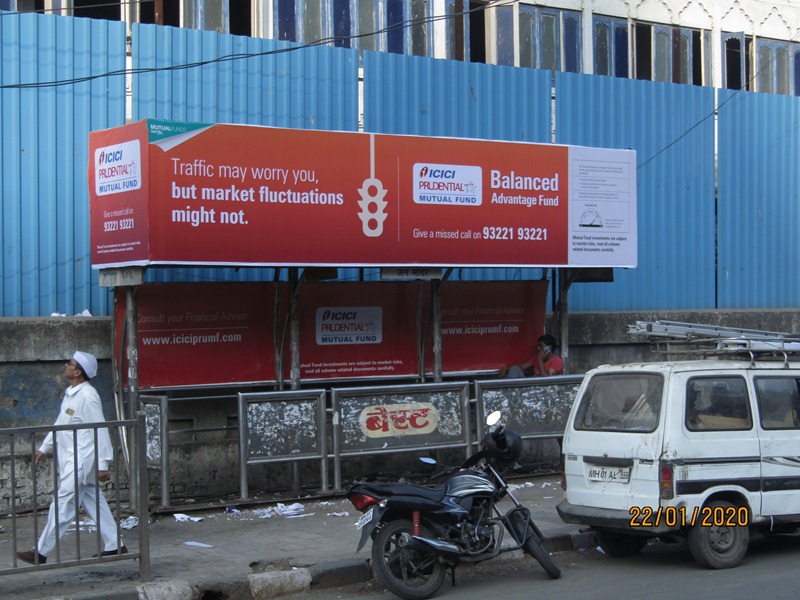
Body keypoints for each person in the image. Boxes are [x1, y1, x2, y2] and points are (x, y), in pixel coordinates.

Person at [17, 351, 126, 565]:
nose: (66, 365)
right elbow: (60, 423)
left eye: (70, 363)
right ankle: (115, 544)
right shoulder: (72, 394)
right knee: (94, 501)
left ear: (78, 372)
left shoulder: (88, 396)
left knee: (63, 504)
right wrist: (45, 447)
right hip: (72, 460)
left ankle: (40, 552)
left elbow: (101, 428)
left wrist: (104, 463)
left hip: (81, 461)